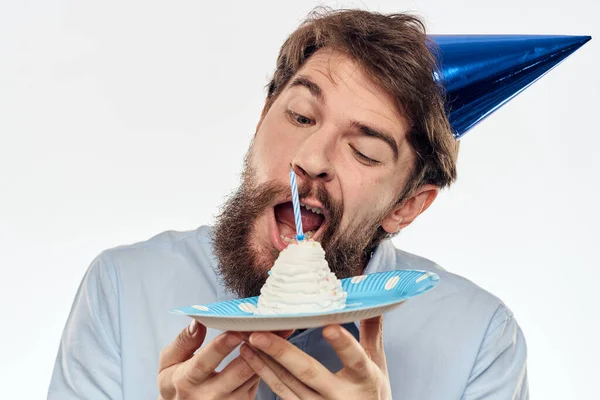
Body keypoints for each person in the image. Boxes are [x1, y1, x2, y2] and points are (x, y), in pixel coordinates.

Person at [48, 8, 528, 400]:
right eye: (300, 116)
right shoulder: (121, 289)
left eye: (364, 151)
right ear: (261, 120)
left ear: (406, 206)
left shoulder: (480, 340)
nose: (312, 159)